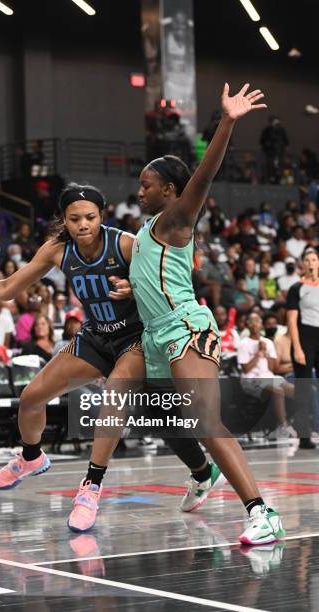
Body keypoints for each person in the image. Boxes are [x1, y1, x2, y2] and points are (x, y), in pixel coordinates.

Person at [0, 183, 223, 534]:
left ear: (102, 215)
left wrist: (134, 287)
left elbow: (168, 281)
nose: (83, 224)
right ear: (63, 220)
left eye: (90, 217)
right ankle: (31, 456)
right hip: (97, 336)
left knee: (126, 400)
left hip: (138, 339)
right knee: (33, 397)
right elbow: (9, 287)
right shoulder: (57, 250)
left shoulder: (126, 244)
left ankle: (91, 487)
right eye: (74, 219)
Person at [129, 83, 285, 545]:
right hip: (155, 333)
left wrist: (227, 123)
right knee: (149, 410)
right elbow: (149, 277)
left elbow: (204, 178)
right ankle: (202, 470)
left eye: (147, 185)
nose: (139, 192)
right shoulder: (145, 230)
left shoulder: (175, 219)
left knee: (202, 418)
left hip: (185, 330)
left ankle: (262, 511)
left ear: (170, 191)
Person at [237, 313, 295, 441]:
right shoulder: (244, 343)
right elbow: (246, 369)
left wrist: (266, 351)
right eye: (251, 321)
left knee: (296, 390)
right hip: (251, 380)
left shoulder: (268, 342)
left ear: (261, 324)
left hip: (269, 377)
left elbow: (272, 368)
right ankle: (283, 427)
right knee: (277, 390)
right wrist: (258, 353)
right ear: (247, 325)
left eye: (257, 321)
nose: (254, 324)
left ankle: (292, 422)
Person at [287, 247, 319, 449]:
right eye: (307, 259)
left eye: (314, 259)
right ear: (303, 264)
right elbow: (291, 320)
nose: (311, 263)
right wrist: (298, 348)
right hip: (304, 338)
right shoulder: (296, 288)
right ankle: (304, 437)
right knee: (304, 389)